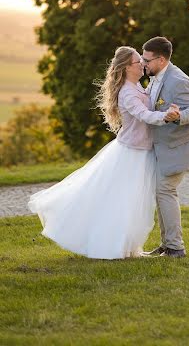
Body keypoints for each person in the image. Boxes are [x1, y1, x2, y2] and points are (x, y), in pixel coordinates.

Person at [28, 46, 179, 260]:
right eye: (138, 62)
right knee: (122, 201)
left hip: (141, 151)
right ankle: (113, 247)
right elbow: (143, 115)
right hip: (130, 154)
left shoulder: (136, 86)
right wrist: (166, 117)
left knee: (134, 203)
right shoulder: (127, 91)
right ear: (127, 67)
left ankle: (129, 248)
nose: (143, 65)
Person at [141, 36, 189, 259]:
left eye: (147, 60)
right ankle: (167, 245)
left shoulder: (179, 80)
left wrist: (177, 116)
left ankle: (176, 248)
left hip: (179, 147)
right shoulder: (156, 76)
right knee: (161, 193)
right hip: (163, 146)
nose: (143, 63)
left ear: (160, 59)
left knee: (165, 191)